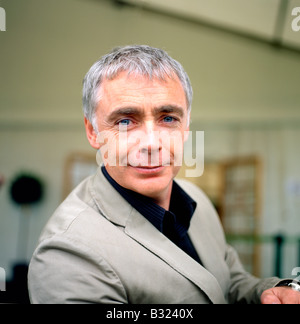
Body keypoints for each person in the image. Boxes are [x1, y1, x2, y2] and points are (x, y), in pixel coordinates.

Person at [28, 45, 300, 304]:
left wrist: (274, 291)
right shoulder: (68, 254)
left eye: (168, 118)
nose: (151, 143)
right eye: (125, 121)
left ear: (186, 127)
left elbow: (227, 283)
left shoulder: (197, 200)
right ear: (93, 131)